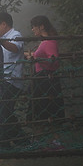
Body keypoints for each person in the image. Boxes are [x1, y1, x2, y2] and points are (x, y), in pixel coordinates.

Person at [24, 15, 65, 149]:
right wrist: (32, 57)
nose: (32, 30)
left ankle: (53, 141)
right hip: (41, 79)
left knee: (46, 109)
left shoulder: (49, 42)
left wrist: (36, 59)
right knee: (39, 110)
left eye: (34, 26)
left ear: (41, 26)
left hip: (46, 80)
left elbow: (54, 60)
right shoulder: (44, 41)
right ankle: (40, 140)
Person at [0, 12, 26, 148]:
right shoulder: (2, 37)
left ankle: (2, 146)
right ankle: (22, 141)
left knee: (1, 115)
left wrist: (1, 41)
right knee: (7, 113)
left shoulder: (16, 35)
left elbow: (15, 48)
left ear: (4, 24)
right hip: (3, 80)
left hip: (13, 81)